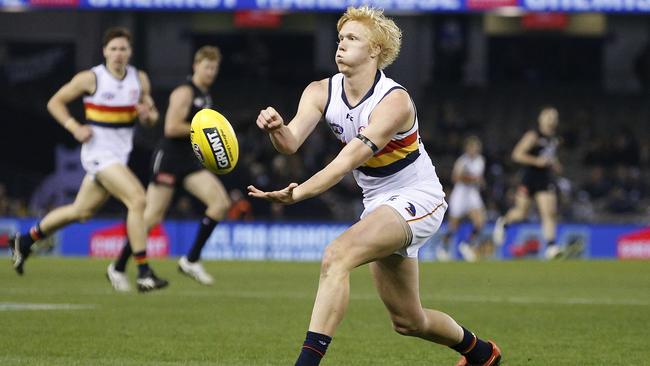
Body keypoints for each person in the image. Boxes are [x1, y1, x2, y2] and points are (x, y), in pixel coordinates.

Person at [248, 6, 501, 366]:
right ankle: (481, 353)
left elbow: (345, 162)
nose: (341, 46)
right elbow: (290, 142)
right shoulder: (321, 91)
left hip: (418, 197)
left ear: (375, 50)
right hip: (379, 202)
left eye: (352, 39)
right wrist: (276, 129)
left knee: (337, 255)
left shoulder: (394, 101)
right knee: (408, 321)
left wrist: (298, 192)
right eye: (340, 38)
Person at [9, 27, 168, 292]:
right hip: (97, 155)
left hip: (118, 157)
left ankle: (25, 240)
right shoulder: (92, 78)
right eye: (113, 48)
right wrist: (74, 127)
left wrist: (147, 114)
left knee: (80, 212)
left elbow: (152, 118)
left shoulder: (140, 80)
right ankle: (142, 272)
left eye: (123, 49)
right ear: (104, 51)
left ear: (130, 52)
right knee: (138, 199)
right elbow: (55, 103)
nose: (118, 54)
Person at [106, 46, 231, 290]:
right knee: (152, 217)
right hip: (169, 158)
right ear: (195, 66)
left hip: (190, 160)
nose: (211, 72)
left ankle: (191, 260)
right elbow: (171, 128)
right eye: (207, 66)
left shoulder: (205, 95)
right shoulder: (184, 92)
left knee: (221, 203)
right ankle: (118, 266)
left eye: (215, 68)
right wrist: (207, 129)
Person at [492, 106, 563, 259]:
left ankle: (551, 247)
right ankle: (504, 222)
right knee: (521, 213)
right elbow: (517, 155)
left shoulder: (554, 140)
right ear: (541, 119)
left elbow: (549, 156)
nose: (552, 120)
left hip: (545, 178)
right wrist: (537, 161)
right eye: (548, 116)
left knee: (549, 213)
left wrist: (555, 165)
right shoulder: (533, 136)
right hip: (529, 178)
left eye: (554, 117)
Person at [437, 136, 487, 262]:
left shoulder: (480, 160)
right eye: (472, 147)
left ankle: (467, 244)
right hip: (460, 194)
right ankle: (443, 247)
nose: (474, 150)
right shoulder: (462, 161)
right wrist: (471, 179)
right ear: (467, 148)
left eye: (476, 147)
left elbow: (479, 178)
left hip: (472, 194)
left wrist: (479, 181)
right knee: (453, 226)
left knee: (480, 221)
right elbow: (455, 177)